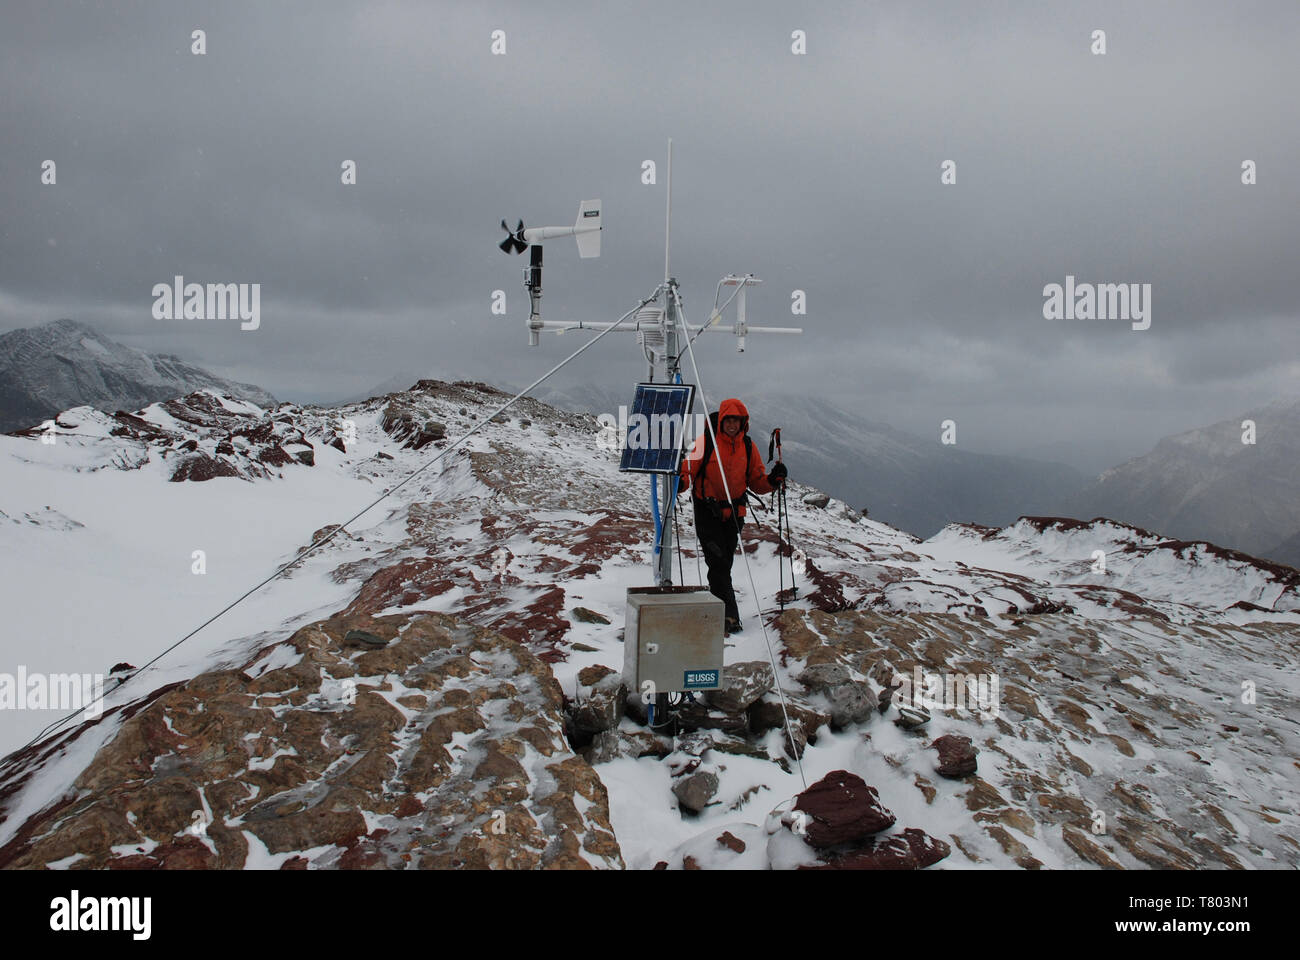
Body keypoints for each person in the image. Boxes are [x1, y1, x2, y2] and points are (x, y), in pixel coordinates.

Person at [677, 398, 788, 635]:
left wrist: (772, 480)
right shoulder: (706, 442)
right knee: (717, 562)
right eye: (728, 420)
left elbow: (756, 481)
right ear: (722, 421)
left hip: (735, 515)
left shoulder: (748, 447)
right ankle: (729, 617)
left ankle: (716, 609)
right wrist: (680, 483)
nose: (731, 424)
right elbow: (688, 469)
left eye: (736, 421)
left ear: (743, 423)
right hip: (707, 512)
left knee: (723, 564)